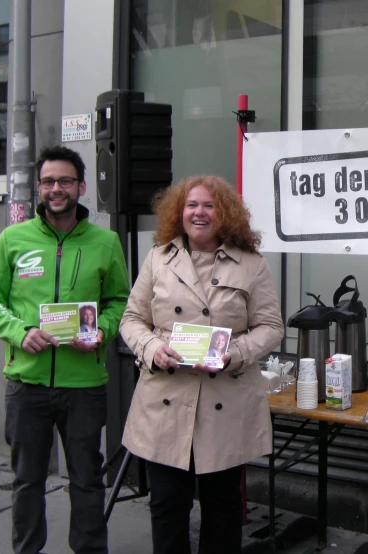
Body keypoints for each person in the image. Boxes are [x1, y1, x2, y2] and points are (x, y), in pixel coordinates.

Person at [0, 146, 130, 554]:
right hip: (26, 384)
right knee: (27, 480)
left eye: (65, 181)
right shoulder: (13, 239)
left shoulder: (105, 242)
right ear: (40, 188)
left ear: (81, 186)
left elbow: (119, 301)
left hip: (84, 384)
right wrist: (18, 331)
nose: (56, 189)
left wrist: (103, 333)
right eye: (48, 181)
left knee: (87, 480)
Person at [118, 175, 284, 554]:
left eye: (209, 205)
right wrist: (151, 348)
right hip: (165, 402)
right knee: (166, 508)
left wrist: (236, 354)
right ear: (179, 212)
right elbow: (131, 319)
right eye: (192, 205)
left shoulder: (251, 264)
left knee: (223, 511)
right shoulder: (158, 258)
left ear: (224, 214)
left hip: (224, 402)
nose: (199, 213)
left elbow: (272, 328)